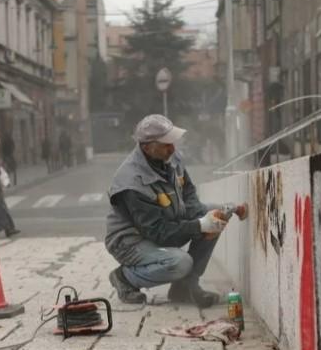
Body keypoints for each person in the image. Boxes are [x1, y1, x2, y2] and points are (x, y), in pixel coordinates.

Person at [104, 114, 245, 307]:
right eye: (165, 144)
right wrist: (200, 225)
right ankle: (126, 278)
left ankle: (185, 287)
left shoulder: (171, 157)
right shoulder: (132, 182)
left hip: (162, 226)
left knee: (215, 216)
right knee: (180, 262)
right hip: (130, 241)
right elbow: (159, 233)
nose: (172, 148)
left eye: (172, 142)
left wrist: (210, 218)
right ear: (146, 147)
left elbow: (189, 195)